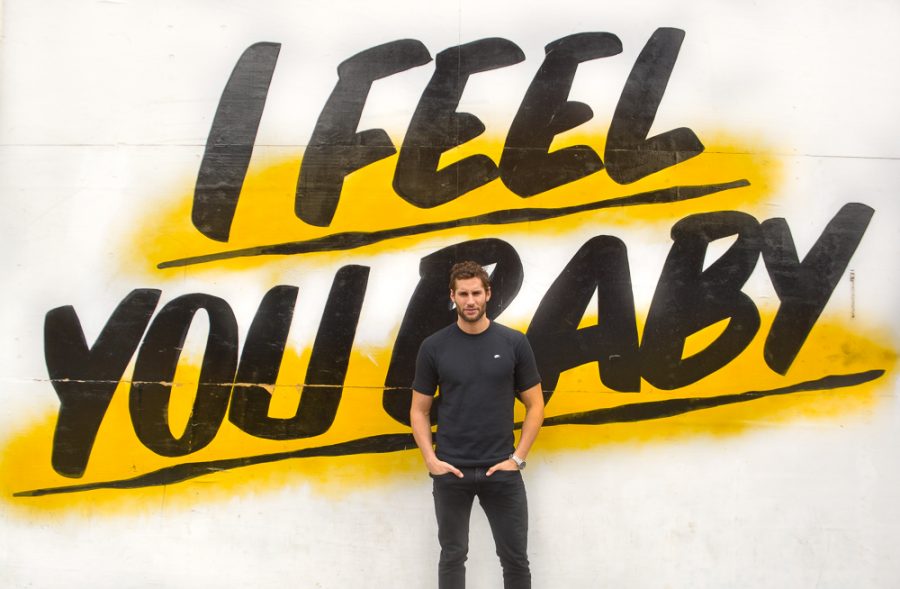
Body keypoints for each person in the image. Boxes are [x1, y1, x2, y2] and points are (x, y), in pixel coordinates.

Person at [411, 260, 544, 589]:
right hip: (451, 471)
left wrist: (518, 458)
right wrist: (431, 460)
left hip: (501, 471)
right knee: (452, 556)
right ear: (452, 296)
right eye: (463, 294)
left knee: (515, 559)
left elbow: (535, 404)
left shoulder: (513, 343)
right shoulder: (434, 347)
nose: (470, 301)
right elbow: (418, 410)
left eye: (476, 293)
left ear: (488, 294)